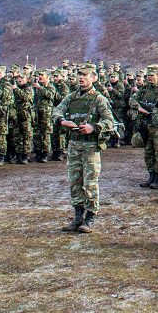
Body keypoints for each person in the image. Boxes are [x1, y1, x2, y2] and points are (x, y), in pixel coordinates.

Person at [53, 66, 114, 233]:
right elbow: (56, 111)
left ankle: (90, 217)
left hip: (90, 147)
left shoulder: (99, 99)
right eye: (79, 75)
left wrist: (93, 127)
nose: (81, 78)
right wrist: (62, 121)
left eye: (85, 75)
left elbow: (110, 121)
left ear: (93, 78)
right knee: (75, 182)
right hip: (74, 145)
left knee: (90, 182)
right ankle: (78, 216)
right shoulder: (71, 97)